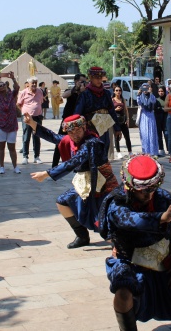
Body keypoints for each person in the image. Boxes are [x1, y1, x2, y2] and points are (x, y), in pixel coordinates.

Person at [98, 154, 171, 331]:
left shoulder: (166, 199)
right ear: (129, 186)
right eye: (143, 190)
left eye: (153, 189)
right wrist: (161, 218)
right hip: (129, 262)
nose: (149, 194)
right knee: (123, 292)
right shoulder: (117, 202)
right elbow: (128, 219)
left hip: (163, 262)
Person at [25, 114, 118, 248]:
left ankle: (121, 243)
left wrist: (46, 174)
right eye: (71, 132)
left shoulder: (92, 142)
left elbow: (74, 161)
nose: (74, 134)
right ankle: (82, 236)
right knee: (62, 201)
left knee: (105, 220)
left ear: (84, 127)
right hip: (85, 185)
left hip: (102, 185)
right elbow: (53, 137)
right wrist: (32, 123)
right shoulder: (70, 140)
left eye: (78, 130)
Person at [74, 67, 121, 158]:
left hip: (105, 127)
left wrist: (117, 128)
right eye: (96, 78)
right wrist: (77, 130)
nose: (99, 80)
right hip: (90, 129)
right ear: (91, 78)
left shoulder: (106, 93)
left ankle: (104, 166)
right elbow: (77, 113)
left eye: (100, 77)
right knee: (93, 152)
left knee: (105, 149)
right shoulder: (85, 94)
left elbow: (111, 111)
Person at [52, 73, 86, 167]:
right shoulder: (71, 91)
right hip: (67, 122)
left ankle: (78, 166)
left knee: (80, 144)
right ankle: (54, 166)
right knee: (59, 143)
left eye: (84, 82)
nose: (83, 83)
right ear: (76, 81)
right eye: (81, 81)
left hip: (79, 124)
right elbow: (64, 95)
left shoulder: (85, 93)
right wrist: (76, 89)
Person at [0, 72, 21, 174]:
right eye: (0, 86)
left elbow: (17, 88)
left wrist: (13, 78)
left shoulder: (11, 95)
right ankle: (1, 167)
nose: (2, 86)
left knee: (12, 147)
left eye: (3, 85)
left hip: (11, 124)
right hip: (0, 124)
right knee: (1, 146)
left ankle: (15, 166)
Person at [18, 76, 44, 164]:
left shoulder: (40, 91)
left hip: (37, 117)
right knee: (26, 136)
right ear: (28, 84)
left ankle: (37, 156)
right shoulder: (23, 92)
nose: (34, 84)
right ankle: (25, 156)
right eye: (32, 83)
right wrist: (24, 111)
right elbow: (18, 104)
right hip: (27, 117)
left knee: (37, 136)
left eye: (35, 83)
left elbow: (40, 102)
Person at [137, 83, 159, 155]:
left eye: (146, 88)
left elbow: (153, 101)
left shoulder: (152, 96)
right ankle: (145, 151)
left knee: (152, 134)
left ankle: (153, 152)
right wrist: (138, 94)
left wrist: (151, 93)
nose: (145, 90)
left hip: (151, 116)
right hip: (144, 116)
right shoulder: (140, 96)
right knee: (144, 134)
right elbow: (139, 103)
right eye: (144, 88)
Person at [112, 85, 133, 159]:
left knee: (127, 136)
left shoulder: (123, 99)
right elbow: (110, 110)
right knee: (117, 137)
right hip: (116, 120)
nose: (118, 92)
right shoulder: (112, 100)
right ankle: (118, 152)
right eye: (117, 90)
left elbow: (126, 110)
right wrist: (115, 110)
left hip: (123, 119)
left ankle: (130, 151)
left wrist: (127, 119)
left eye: (120, 90)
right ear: (114, 92)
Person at [154, 85, 169, 156]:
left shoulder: (168, 99)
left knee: (166, 134)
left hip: (166, 118)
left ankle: (169, 149)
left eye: (162, 91)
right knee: (159, 134)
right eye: (159, 91)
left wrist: (161, 109)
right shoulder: (156, 100)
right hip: (158, 119)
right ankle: (161, 149)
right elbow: (155, 108)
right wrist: (162, 109)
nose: (161, 92)